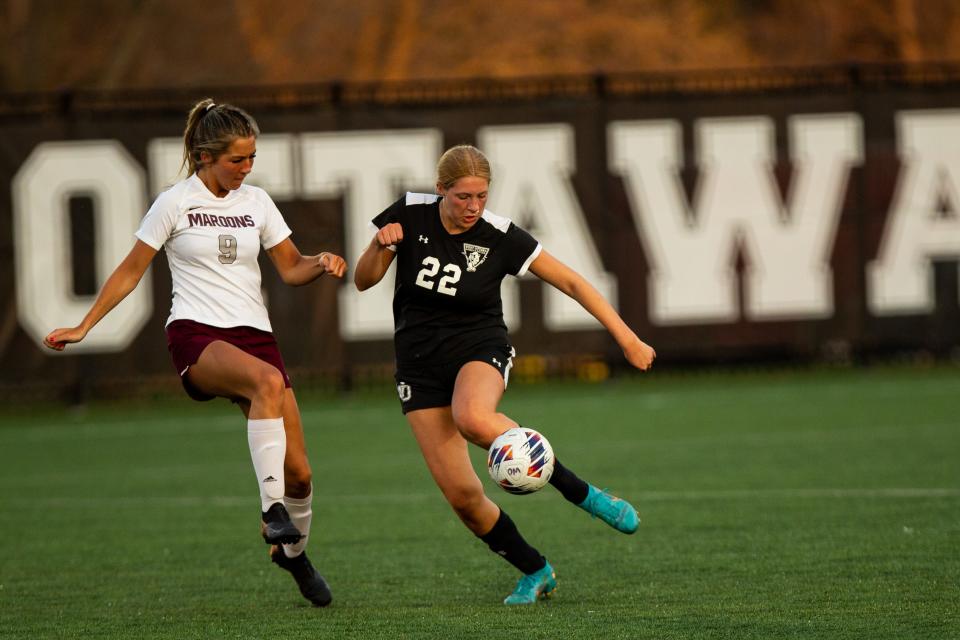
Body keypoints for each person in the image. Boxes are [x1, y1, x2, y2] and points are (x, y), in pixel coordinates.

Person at [43, 99, 345, 608]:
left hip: (256, 338)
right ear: (205, 157)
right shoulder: (174, 202)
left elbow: (291, 268)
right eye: (237, 159)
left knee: (302, 476)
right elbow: (130, 270)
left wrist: (321, 261)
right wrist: (83, 325)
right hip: (197, 334)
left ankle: (295, 558)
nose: (247, 168)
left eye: (252, 158)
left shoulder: (258, 202)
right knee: (267, 384)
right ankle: (272, 512)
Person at [353, 144, 656, 605]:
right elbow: (363, 279)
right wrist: (380, 244)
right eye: (463, 197)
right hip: (418, 366)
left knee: (472, 417)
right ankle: (536, 571)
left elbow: (572, 281)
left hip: (480, 348)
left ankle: (584, 494)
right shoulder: (410, 214)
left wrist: (627, 338)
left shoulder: (499, 235)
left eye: (482, 196)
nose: (474, 207)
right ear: (441, 190)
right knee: (464, 499)